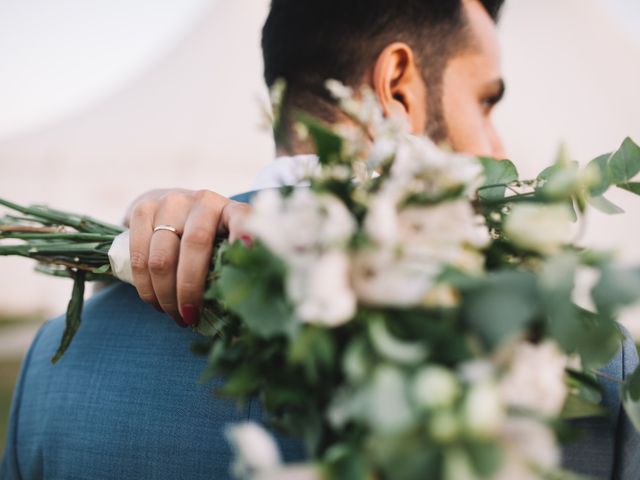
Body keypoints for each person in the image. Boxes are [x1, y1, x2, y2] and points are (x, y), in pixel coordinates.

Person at [2, 1, 638, 479]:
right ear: (397, 87)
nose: (496, 149)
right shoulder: (583, 371)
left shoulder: (60, 361)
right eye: (485, 101)